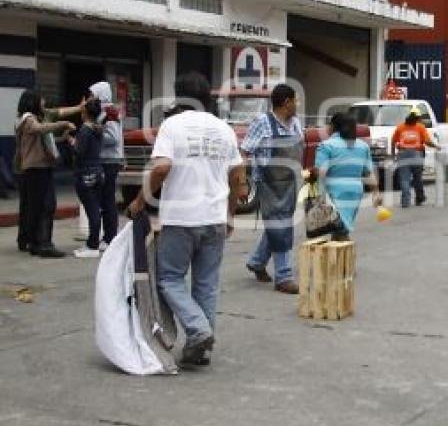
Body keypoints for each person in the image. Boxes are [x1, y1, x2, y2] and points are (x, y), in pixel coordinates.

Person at [128, 73, 244, 367]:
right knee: (206, 284)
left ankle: (199, 330)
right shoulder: (224, 129)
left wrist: (141, 200)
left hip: (182, 219)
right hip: (215, 218)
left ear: (178, 97)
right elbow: (238, 176)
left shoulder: (172, 125)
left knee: (169, 280)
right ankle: (201, 349)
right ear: (208, 98)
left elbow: (162, 167)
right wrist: (230, 214)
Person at [240, 84, 303, 294]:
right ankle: (284, 277)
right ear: (287, 102)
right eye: (296, 100)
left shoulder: (295, 124)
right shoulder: (262, 123)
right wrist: (241, 183)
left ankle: (257, 262)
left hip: (290, 182)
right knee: (280, 225)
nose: (298, 105)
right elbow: (245, 152)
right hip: (269, 183)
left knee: (278, 225)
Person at [14, 90, 75, 257]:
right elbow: (40, 130)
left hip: (38, 168)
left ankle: (33, 241)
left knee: (36, 206)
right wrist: (62, 123)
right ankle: (42, 244)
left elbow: (42, 139)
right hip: (37, 169)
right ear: (33, 102)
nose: (44, 102)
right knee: (45, 206)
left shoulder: (27, 119)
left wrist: (61, 138)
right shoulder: (28, 119)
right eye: (41, 100)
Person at [315, 112, 382, 240]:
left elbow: (321, 173)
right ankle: (340, 258)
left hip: (334, 192)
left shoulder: (326, 146)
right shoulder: (363, 146)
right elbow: (369, 173)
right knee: (341, 230)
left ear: (333, 127)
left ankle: (341, 258)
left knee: (340, 231)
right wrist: (376, 193)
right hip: (355, 191)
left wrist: (320, 196)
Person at [88, 81, 124, 248]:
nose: (90, 98)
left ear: (100, 95)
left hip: (109, 161)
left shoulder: (109, 112)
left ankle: (110, 238)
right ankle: (108, 235)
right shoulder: (104, 111)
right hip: (106, 160)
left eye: (93, 94)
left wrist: (96, 133)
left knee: (107, 200)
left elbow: (114, 138)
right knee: (104, 199)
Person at [70, 99, 104, 259]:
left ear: (85, 113)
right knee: (95, 209)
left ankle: (92, 246)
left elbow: (79, 152)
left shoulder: (84, 131)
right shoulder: (98, 129)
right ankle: (93, 242)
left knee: (92, 211)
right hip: (98, 171)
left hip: (85, 173)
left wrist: (71, 143)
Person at [391, 111, 438, 208]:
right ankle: (419, 198)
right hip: (417, 155)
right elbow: (427, 141)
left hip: (403, 154)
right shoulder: (420, 127)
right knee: (417, 178)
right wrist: (436, 146)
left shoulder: (400, 127)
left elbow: (393, 141)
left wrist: (393, 155)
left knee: (404, 179)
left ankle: (405, 201)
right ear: (417, 119)